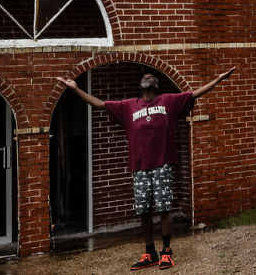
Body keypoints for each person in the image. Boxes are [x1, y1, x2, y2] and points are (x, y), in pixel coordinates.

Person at [57, 66, 235, 270]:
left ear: (156, 85)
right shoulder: (128, 106)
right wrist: (75, 89)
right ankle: (149, 252)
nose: (146, 78)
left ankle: (166, 252)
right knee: (143, 211)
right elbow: (99, 104)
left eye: (150, 77)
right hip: (139, 167)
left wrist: (218, 80)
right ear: (140, 85)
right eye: (143, 77)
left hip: (162, 164)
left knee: (164, 208)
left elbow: (195, 93)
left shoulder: (169, 101)